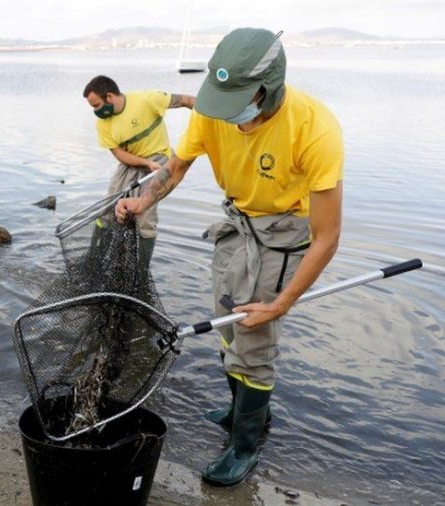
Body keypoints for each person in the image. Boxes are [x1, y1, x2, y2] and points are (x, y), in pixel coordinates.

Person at [115, 28, 344, 486]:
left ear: (269, 87)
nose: (227, 111)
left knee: (254, 336)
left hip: (284, 231)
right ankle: (244, 409)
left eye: (238, 99)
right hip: (236, 223)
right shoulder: (213, 110)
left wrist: (282, 304)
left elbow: (327, 237)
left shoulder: (315, 128)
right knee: (226, 323)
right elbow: (176, 167)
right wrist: (143, 200)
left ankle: (245, 445)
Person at [83, 76, 194, 274]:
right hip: (131, 163)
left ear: (109, 96)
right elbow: (119, 154)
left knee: (144, 218)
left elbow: (187, 100)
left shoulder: (147, 99)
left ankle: (139, 275)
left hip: (158, 161)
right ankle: (93, 263)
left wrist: (214, 119)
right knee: (108, 209)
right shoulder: (102, 124)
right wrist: (144, 163)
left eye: (97, 105)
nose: (96, 111)